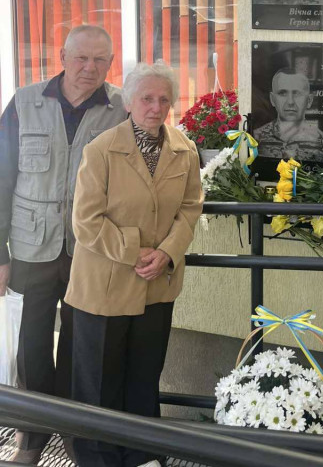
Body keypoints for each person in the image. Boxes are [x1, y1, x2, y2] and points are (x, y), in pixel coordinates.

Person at [65, 61, 203, 467]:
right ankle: (97, 458)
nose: (156, 107)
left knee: (144, 378)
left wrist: (168, 252)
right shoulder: (101, 149)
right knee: (99, 384)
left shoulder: (184, 149)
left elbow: (191, 207)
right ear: (128, 102)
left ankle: (142, 454)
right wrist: (135, 252)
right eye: (146, 98)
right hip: (103, 286)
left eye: (164, 99)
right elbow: (85, 220)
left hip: (157, 284)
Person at [0, 25, 126, 465]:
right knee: (31, 346)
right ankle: (31, 436)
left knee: (81, 346)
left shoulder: (122, 108)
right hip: (31, 247)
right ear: (63, 57)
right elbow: (1, 179)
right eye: (81, 58)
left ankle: (76, 434)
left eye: (100, 59)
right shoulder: (24, 102)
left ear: (110, 63)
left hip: (90, 251)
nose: (89, 67)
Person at [254, 69, 323, 162]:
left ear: (309, 100)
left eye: (297, 93)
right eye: (283, 93)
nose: (290, 102)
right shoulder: (257, 137)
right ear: (272, 99)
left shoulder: (321, 141)